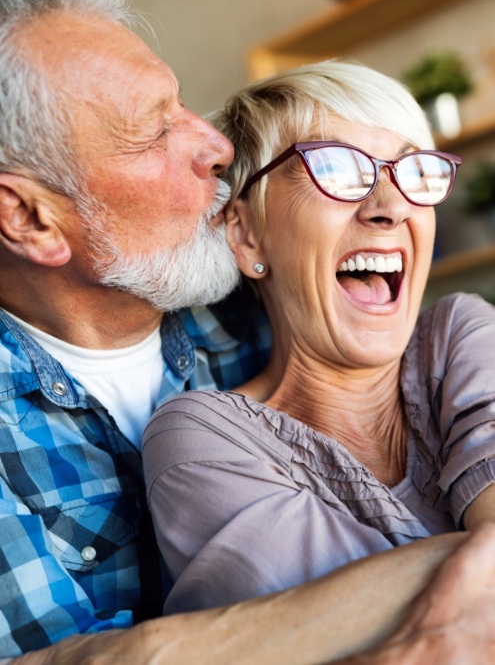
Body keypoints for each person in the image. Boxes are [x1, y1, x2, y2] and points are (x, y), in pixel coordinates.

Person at [0, 0, 495, 663]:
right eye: (154, 129)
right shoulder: (204, 425)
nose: (216, 146)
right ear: (30, 218)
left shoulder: (446, 335)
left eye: (414, 170)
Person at [142, 60, 495, 616]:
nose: (391, 206)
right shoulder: (202, 437)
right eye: (337, 168)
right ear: (246, 233)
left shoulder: (461, 333)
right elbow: (349, 628)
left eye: (413, 173)